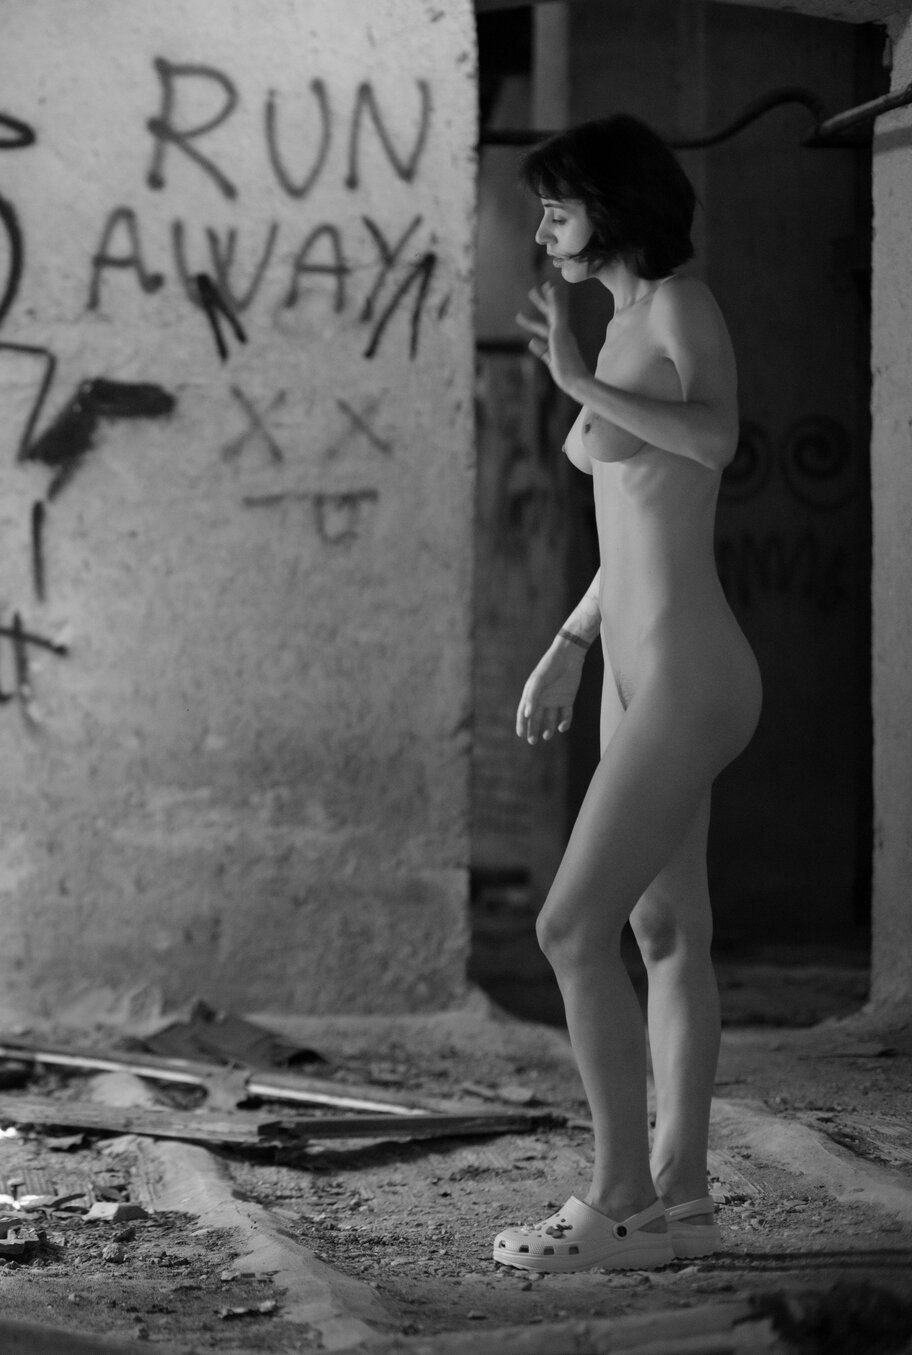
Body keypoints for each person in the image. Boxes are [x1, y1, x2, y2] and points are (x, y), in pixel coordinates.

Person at [493, 113, 761, 1273]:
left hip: (692, 671)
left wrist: (569, 378)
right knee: (664, 928)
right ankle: (683, 1197)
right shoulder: (615, 326)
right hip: (634, 666)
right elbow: (633, 524)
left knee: (568, 925)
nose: (544, 232)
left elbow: (717, 440)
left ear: (612, 205)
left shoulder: (680, 307)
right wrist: (569, 640)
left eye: (558, 210)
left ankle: (620, 1204)